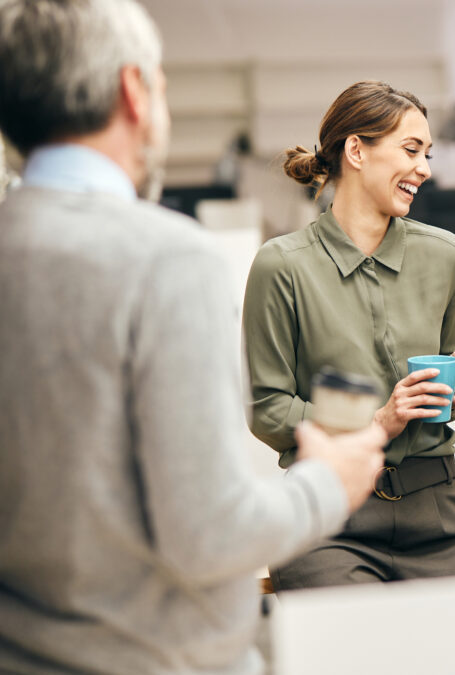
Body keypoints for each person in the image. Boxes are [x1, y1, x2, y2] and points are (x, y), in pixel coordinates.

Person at [0, 1, 388, 672]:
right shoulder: (168, 260)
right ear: (134, 92)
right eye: (164, 87)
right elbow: (208, 533)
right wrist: (329, 481)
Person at [243, 80, 455, 589]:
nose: (424, 168)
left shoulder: (446, 255)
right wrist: (378, 421)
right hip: (329, 516)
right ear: (356, 150)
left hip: (440, 507)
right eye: (411, 149)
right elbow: (268, 409)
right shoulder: (282, 265)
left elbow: (440, 384)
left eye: (427, 153)